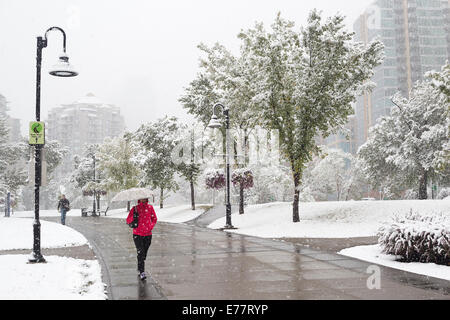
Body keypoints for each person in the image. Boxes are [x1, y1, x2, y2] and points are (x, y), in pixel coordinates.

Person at [126, 198, 157, 281]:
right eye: (141, 198)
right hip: (137, 234)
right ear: (139, 199)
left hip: (148, 234)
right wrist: (133, 219)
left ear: (146, 199)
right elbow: (128, 219)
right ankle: (142, 272)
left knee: (144, 254)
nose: (143, 199)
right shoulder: (135, 208)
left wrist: (150, 226)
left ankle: (140, 264)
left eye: (144, 198)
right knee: (140, 252)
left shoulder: (150, 208)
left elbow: (154, 219)